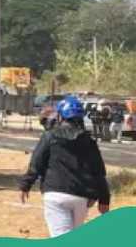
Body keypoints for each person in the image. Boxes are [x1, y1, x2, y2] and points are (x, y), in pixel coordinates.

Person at [18, 95, 111, 237]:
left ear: (61, 116)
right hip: (81, 197)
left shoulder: (50, 136)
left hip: (55, 194)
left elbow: (37, 162)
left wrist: (26, 185)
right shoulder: (89, 141)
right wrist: (104, 199)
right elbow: (99, 172)